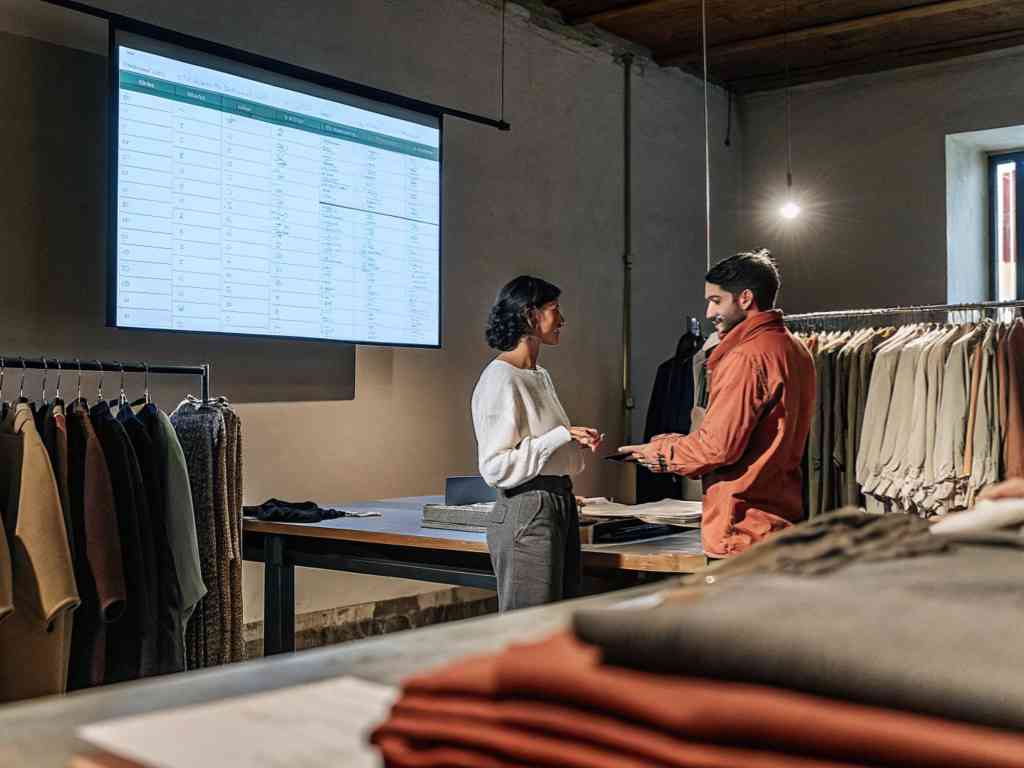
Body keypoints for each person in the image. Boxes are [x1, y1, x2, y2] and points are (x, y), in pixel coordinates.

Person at [620, 250, 816, 558]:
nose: (709, 313)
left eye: (716, 300)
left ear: (745, 298)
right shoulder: (793, 348)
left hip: (743, 532)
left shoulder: (747, 357)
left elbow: (718, 448)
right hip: (778, 523)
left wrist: (656, 452)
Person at [472, 276, 602, 611]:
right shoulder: (501, 378)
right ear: (530, 315)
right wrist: (561, 436)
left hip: (558, 500)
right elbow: (495, 467)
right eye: (554, 310)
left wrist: (570, 447)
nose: (562, 320)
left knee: (557, 625)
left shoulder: (539, 374)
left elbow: (540, 445)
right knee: (527, 630)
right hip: (528, 509)